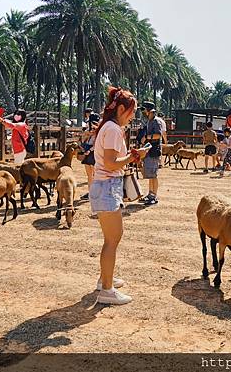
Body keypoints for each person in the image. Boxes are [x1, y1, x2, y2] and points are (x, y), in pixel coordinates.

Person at [90, 86, 150, 305]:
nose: (133, 116)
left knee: (111, 238)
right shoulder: (114, 129)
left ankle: (105, 278)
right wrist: (134, 156)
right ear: (122, 109)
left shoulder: (107, 127)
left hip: (103, 185)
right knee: (113, 239)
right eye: (131, 111)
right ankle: (107, 289)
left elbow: (109, 160)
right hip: (107, 186)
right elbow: (111, 162)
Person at [140, 101, 162, 205]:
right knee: (150, 174)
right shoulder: (149, 121)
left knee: (153, 174)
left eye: (144, 109)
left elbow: (158, 135)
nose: (143, 112)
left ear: (149, 111)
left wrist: (147, 137)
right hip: (150, 149)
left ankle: (154, 196)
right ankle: (150, 194)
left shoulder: (156, 121)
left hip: (154, 150)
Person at [79, 113, 101, 200]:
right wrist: (86, 134)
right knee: (89, 175)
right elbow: (83, 140)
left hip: (94, 153)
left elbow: (97, 144)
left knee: (95, 174)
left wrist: (90, 150)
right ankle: (90, 192)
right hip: (88, 151)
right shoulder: (88, 130)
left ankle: (96, 193)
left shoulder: (99, 131)